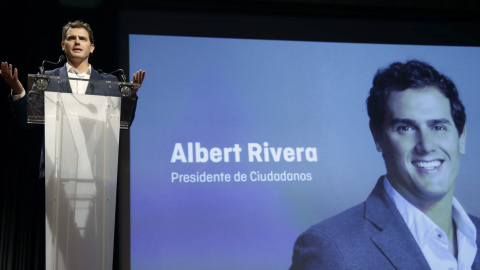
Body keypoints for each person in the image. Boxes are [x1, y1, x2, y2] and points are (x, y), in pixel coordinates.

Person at [290, 60, 480, 269]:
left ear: (461, 137)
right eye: (405, 128)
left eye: (438, 127)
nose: (426, 145)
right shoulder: (331, 249)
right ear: (378, 137)